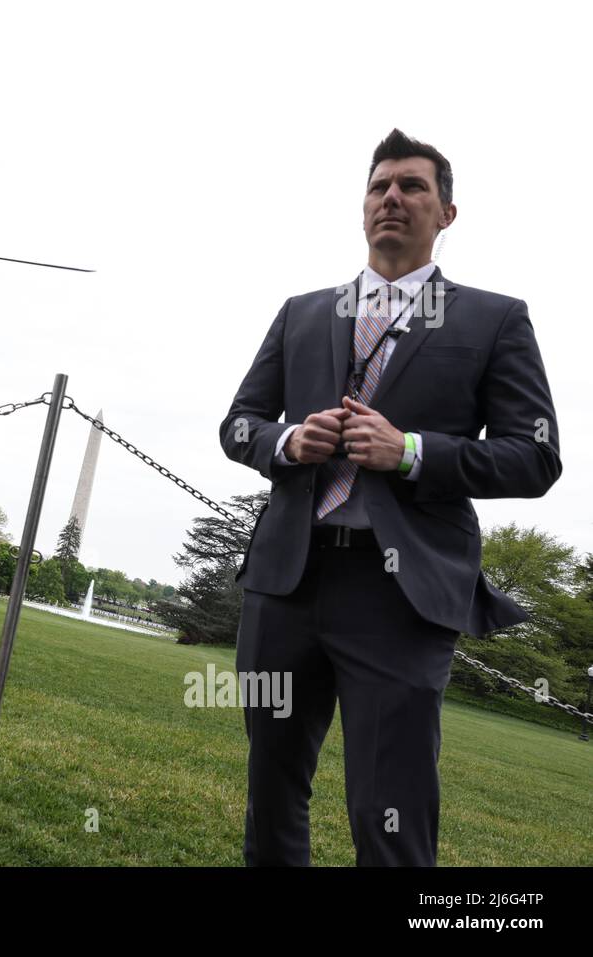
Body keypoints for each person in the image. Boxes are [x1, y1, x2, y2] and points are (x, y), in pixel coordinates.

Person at [219, 129, 561, 865]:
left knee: (390, 812)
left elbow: (535, 455)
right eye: (380, 186)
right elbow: (238, 424)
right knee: (271, 791)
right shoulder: (301, 312)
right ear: (362, 206)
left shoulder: (495, 318)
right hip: (285, 584)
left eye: (413, 187)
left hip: (400, 596)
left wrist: (410, 451)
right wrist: (286, 443)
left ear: (447, 213)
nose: (392, 198)